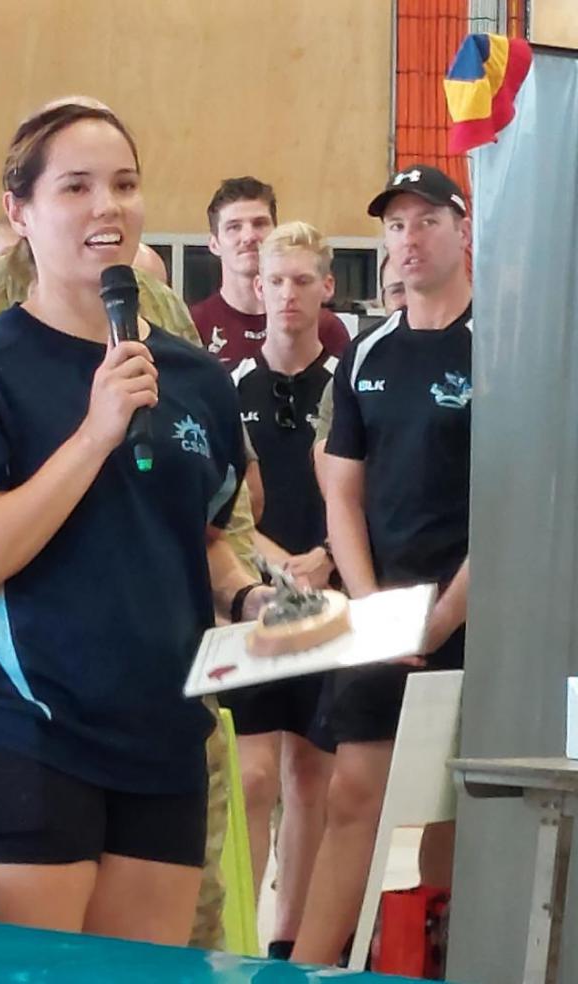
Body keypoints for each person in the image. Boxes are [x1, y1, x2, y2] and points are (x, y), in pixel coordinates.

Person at [0, 101, 263, 945]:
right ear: (19, 211)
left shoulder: (193, 377)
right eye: (76, 187)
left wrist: (255, 602)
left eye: (125, 185)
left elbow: (202, 536)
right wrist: (96, 433)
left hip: (162, 738)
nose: (108, 206)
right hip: (26, 732)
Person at [292, 164, 472, 964]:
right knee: (353, 794)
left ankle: (443, 957)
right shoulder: (367, 351)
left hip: (470, 611)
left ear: (463, 231)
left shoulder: (500, 346)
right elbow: (343, 494)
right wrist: (371, 609)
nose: (409, 239)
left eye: (427, 221)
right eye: (396, 226)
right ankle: (309, 965)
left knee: (455, 811)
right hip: (383, 608)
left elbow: (514, 504)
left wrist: (442, 618)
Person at [222, 222, 337, 959]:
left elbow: (364, 494)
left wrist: (326, 557)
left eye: (301, 281)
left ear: (327, 287)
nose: (287, 295)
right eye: (275, 281)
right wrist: (274, 563)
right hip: (256, 594)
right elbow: (226, 507)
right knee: (253, 774)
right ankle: (237, 933)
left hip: (330, 590)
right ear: (255, 288)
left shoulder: (348, 383)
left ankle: (287, 945)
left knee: (311, 774)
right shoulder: (232, 386)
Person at [190, 177, 350, 369]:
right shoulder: (194, 325)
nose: (249, 237)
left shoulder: (325, 327)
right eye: (234, 227)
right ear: (214, 244)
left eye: (259, 224)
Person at [312, 254, 406, 494]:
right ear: (383, 300)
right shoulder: (354, 371)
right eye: (398, 291)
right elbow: (335, 487)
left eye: (416, 287)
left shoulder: (478, 361)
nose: (409, 300)